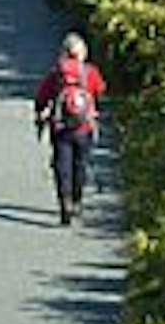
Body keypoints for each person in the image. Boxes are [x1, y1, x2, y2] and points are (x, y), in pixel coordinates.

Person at [31, 29, 109, 228]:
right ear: (83, 52)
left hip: (61, 128)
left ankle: (64, 201)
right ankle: (77, 199)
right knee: (80, 164)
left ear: (64, 52)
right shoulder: (90, 71)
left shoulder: (57, 72)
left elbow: (42, 96)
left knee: (62, 166)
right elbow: (100, 91)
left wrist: (40, 112)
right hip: (84, 127)